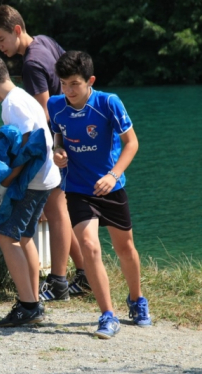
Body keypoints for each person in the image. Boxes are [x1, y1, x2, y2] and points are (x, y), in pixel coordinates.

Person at [0, 4, 88, 299]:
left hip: (56, 142)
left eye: (1, 39)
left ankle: (59, 280)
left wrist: (53, 148)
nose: (0, 47)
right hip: (73, 130)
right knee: (60, 208)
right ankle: (85, 273)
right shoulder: (45, 42)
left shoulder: (30, 64)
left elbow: (44, 114)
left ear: (17, 30)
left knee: (56, 211)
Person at [48, 50, 152, 339]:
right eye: (63, 83)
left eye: (74, 84)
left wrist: (113, 175)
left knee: (125, 250)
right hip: (78, 189)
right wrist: (58, 151)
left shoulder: (108, 103)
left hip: (111, 187)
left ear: (90, 80)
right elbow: (58, 134)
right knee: (89, 246)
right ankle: (108, 314)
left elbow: (131, 143)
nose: (68, 90)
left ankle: (136, 300)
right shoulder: (55, 105)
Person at [0, 53, 61, 327]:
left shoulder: (12, 104)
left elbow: (26, 150)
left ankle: (28, 305)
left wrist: (3, 185)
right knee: (24, 237)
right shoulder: (22, 97)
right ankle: (33, 301)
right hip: (46, 178)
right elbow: (26, 133)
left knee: (7, 237)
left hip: (32, 181)